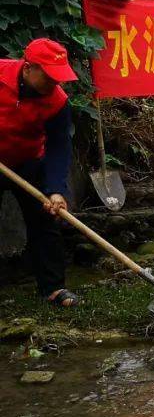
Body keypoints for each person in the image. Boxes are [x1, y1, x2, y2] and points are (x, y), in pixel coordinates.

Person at [0, 38, 79, 307]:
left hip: (29, 162)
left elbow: (59, 147)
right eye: (48, 77)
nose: (54, 84)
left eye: (58, 78)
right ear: (27, 68)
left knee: (45, 221)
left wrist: (55, 189)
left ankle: (53, 288)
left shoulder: (57, 102)